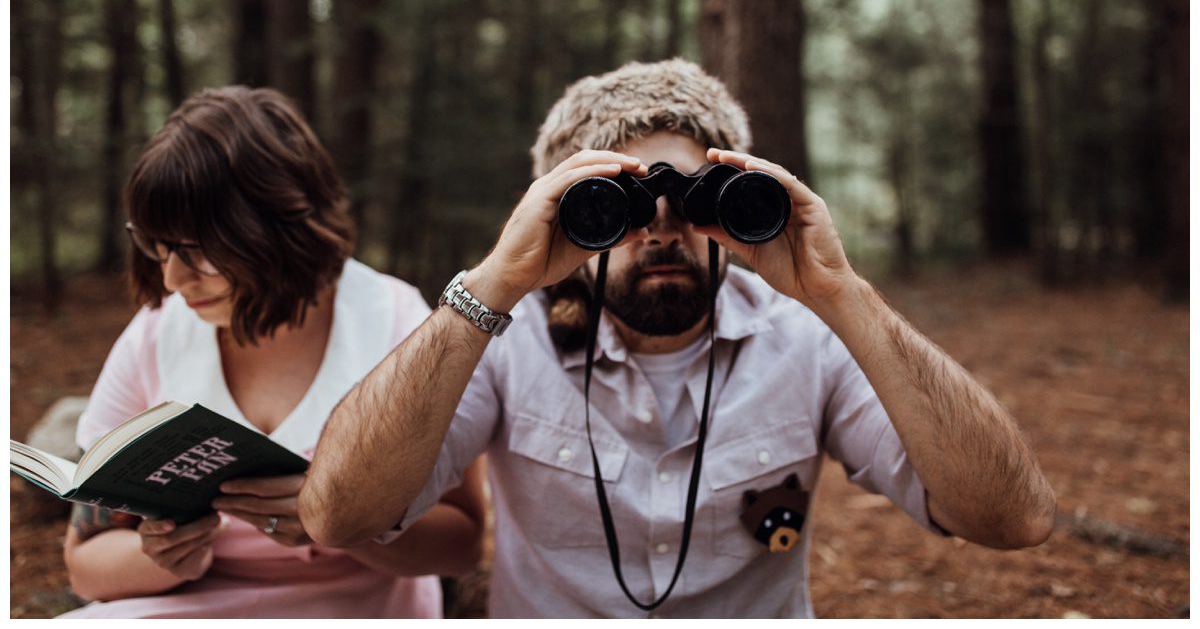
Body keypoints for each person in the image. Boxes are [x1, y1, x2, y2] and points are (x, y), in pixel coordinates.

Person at [299, 60, 1057, 618]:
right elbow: (340, 516)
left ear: (735, 200)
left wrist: (843, 293)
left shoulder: (803, 337)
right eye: (616, 205)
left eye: (692, 200)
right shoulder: (507, 339)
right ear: (564, 217)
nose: (660, 226)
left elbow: (1010, 519)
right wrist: (494, 282)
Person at [60, 86, 486, 619]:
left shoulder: (396, 325)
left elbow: (465, 542)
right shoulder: (156, 333)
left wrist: (337, 520)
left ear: (275, 230)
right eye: (159, 246)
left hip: (356, 606)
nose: (173, 277)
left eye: (196, 249)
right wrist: (163, 558)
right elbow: (83, 562)